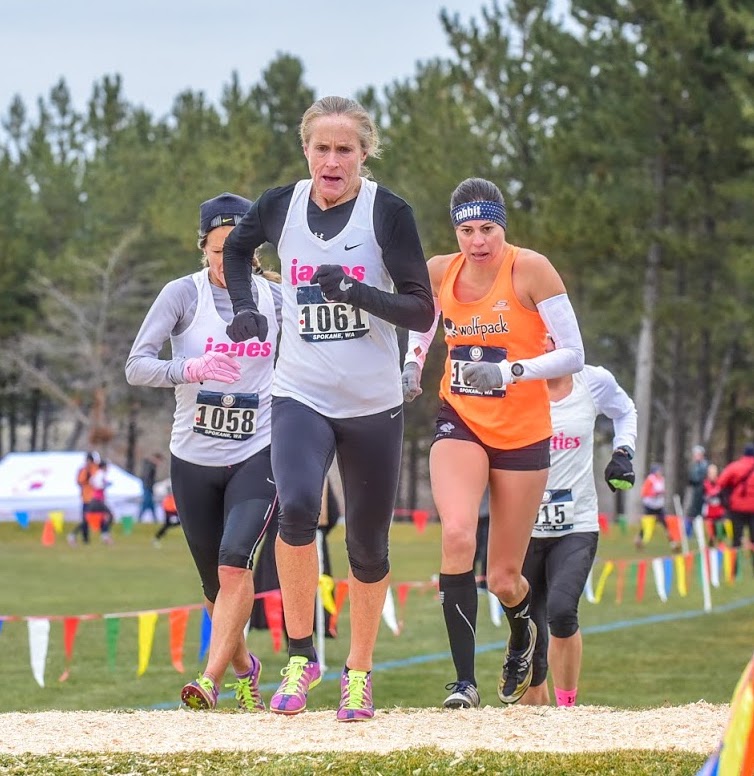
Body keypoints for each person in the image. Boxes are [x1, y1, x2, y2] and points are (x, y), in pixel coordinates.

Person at [223, 95, 435, 721]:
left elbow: (423, 309)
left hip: (372, 403)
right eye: (322, 148)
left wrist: (358, 292)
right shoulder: (279, 205)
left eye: (346, 149)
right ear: (306, 150)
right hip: (301, 389)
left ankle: (359, 673)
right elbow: (237, 252)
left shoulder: (388, 212)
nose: (332, 160)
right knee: (293, 506)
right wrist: (246, 310)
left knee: (367, 547)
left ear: (365, 153)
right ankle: (298, 656)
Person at [401, 177, 585, 709]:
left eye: (487, 228)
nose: (478, 241)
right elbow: (424, 325)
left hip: (524, 434)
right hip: (461, 420)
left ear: (502, 225)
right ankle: (463, 683)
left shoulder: (531, 269)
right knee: (458, 534)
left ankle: (524, 632)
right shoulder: (440, 271)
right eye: (466, 229)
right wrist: (412, 365)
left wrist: (513, 371)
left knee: (505, 577)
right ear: (454, 230)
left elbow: (573, 352)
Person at [125, 192, 283, 712]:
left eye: (236, 250)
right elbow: (136, 365)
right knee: (214, 585)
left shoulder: (275, 299)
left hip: (257, 452)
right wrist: (187, 370)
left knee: (235, 564)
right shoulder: (181, 295)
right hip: (193, 458)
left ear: (252, 251)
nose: (225, 261)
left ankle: (210, 680)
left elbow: (311, 365)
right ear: (203, 248)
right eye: (217, 251)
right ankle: (246, 667)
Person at [518, 335, 637, 707]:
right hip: (522, 527)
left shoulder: (592, 380)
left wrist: (623, 451)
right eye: (539, 336)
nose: (548, 343)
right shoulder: (516, 383)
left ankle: (568, 709)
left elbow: (625, 410)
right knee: (527, 626)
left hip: (577, 524)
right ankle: (531, 718)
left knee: (562, 612)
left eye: (556, 335)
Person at [717, 443, 754, 575]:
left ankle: (734, 570)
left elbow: (721, 482)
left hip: (737, 508)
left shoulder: (735, 466)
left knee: (736, 539)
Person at [636, 464, 676, 551]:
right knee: (646, 524)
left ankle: (673, 543)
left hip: (659, 507)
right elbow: (644, 493)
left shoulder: (661, 479)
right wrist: (654, 494)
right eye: (658, 471)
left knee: (666, 524)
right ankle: (640, 540)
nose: (660, 472)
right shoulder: (650, 479)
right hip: (650, 506)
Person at [68, 451, 100, 546]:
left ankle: (84, 538)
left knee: (89, 519)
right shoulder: (84, 470)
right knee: (86, 519)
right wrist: (88, 477)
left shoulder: (95, 468)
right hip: (86, 498)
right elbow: (80, 481)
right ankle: (77, 536)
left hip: (94, 497)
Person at [88, 459, 115, 544]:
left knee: (104, 517)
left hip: (98, 499)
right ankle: (105, 535)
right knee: (110, 516)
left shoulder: (98, 473)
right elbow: (99, 485)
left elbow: (91, 481)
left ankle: (105, 535)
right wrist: (106, 484)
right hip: (98, 499)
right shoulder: (100, 474)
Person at [702, 463, 726, 546]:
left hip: (719, 511)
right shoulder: (705, 484)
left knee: (719, 528)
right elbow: (702, 497)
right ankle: (711, 541)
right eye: (710, 473)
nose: (712, 475)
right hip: (709, 512)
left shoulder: (720, 483)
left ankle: (720, 543)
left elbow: (723, 496)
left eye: (713, 472)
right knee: (710, 528)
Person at [138, 452, 164, 523]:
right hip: (147, 487)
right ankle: (140, 518)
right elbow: (147, 478)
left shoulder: (149, 465)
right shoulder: (150, 466)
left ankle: (153, 518)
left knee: (150, 504)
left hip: (148, 487)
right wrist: (149, 487)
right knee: (146, 503)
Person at [473, 487, 490, 590]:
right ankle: (470, 581)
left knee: (486, 551)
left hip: (487, 516)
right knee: (472, 550)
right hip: (475, 516)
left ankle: (483, 582)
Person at [687, 444, 709, 520]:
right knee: (693, 511)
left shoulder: (705, 465)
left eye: (696, 454)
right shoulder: (695, 465)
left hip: (703, 492)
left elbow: (701, 479)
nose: (695, 456)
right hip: (696, 490)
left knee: (700, 511)